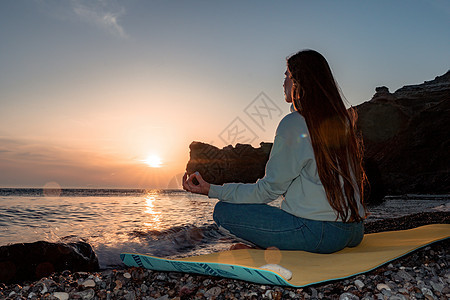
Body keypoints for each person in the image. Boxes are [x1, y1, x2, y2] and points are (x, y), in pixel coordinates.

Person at [182, 49, 367, 254]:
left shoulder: (295, 123)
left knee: (224, 210)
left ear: (299, 82)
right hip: (354, 231)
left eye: (287, 76)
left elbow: (268, 190)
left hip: (320, 235)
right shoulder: (343, 122)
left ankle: (260, 247)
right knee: (281, 213)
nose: (283, 82)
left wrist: (212, 190)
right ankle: (262, 245)